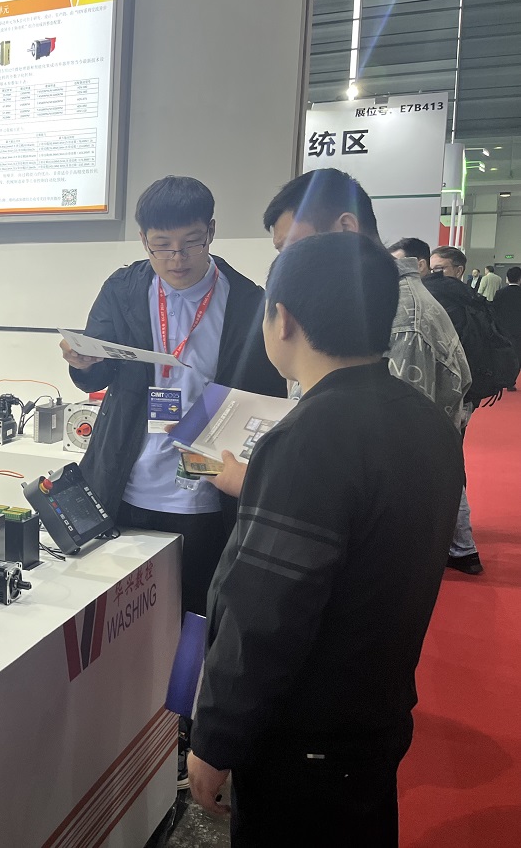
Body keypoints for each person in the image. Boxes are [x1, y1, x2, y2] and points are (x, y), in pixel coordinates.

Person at [187, 232, 465, 847]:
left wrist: (216, 739)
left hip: (302, 738)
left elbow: (265, 615)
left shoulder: (307, 437)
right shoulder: (426, 421)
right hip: (376, 712)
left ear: (282, 319)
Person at [59, 175, 285, 790]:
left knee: (194, 618)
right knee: (119, 612)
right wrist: (83, 362)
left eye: (189, 243)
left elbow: (264, 392)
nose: (176, 259)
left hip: (206, 490)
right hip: (126, 481)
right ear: (144, 241)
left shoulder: (249, 300)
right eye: (161, 246)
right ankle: (123, 721)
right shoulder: (125, 288)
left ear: (211, 232)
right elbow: (95, 373)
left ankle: (182, 729)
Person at [212, 168, 470, 498]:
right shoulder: (356, 300)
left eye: (292, 247)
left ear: (346, 228)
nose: (287, 264)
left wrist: (264, 486)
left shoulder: (402, 319)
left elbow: (389, 471)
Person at [387, 239, 485, 574]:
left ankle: (454, 548)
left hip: (434, 398)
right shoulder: (454, 295)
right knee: (449, 469)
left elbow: (409, 379)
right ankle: (462, 547)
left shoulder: (413, 306)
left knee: (435, 471)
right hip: (455, 395)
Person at [491, 266, 521, 390]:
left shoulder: (500, 293)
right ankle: (513, 379)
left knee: (506, 354)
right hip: (519, 329)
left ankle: (508, 380)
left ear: (507, 278)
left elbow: (494, 310)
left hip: (503, 329)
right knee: (518, 354)